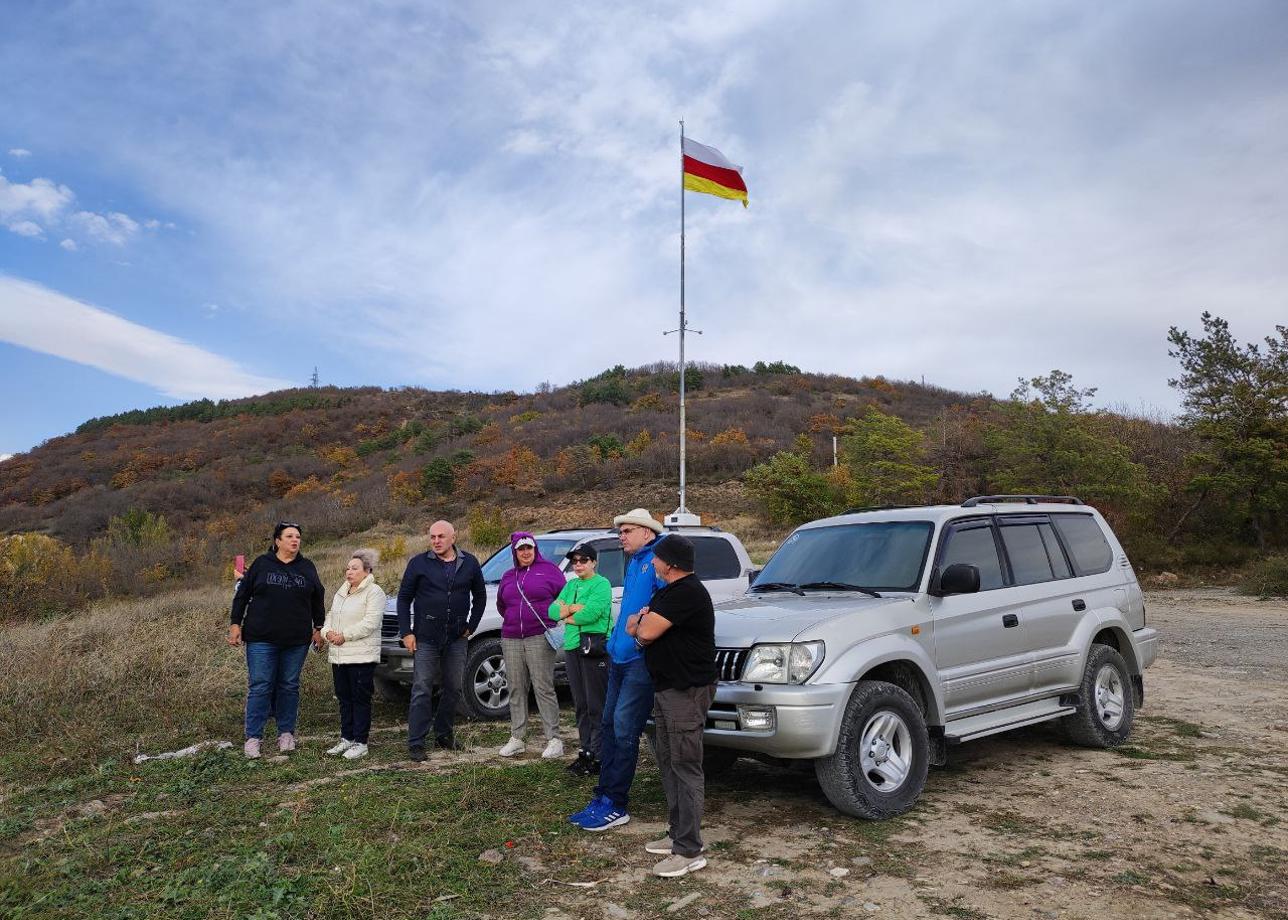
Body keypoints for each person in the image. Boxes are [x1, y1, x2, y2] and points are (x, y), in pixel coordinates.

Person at [569, 508, 666, 832]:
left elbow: (663, 610)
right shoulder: (635, 561)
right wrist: (614, 643)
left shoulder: (658, 562)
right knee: (609, 726)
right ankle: (604, 795)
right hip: (619, 660)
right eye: (620, 531)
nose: (621, 536)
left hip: (639, 663)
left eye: (627, 531)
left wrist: (639, 641)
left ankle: (617, 802)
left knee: (624, 732)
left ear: (647, 533)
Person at [628, 534, 717, 878]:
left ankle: (690, 849)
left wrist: (642, 627)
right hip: (666, 688)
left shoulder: (687, 592)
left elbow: (644, 632)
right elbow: (636, 624)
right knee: (668, 761)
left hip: (686, 690)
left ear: (672, 563)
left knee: (685, 765)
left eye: (658, 557)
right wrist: (641, 626)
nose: (653, 562)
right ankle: (678, 833)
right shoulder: (667, 591)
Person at [228, 522, 326, 759]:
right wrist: (234, 624)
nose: (295, 540)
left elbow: (318, 598)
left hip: (296, 640)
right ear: (277, 541)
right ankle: (253, 737)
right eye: (289, 536)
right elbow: (242, 595)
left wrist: (318, 627)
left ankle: (286, 734)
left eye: (298, 537)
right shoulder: (262, 564)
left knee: (289, 686)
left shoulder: (307, 567)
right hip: (262, 638)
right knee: (260, 685)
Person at [397, 519, 486, 761]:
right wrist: (407, 632)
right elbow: (404, 599)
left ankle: (444, 734)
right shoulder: (418, 563)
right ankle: (416, 742)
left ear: (453, 537)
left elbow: (480, 596)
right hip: (425, 637)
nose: (436, 541)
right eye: (432, 537)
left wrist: (472, 625)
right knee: (422, 689)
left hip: (457, 638)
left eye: (441, 536)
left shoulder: (469, 563)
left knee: (453, 687)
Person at [495, 532, 567, 759]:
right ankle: (517, 737)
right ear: (514, 552)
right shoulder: (508, 576)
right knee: (516, 687)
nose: (526, 553)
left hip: (539, 637)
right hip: (511, 637)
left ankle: (554, 739)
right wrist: (516, 621)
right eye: (520, 549)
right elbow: (501, 604)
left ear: (535, 549)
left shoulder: (550, 571)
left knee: (543, 687)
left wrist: (551, 618)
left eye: (529, 548)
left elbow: (563, 598)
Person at [549, 544, 612, 775]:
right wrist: (569, 611)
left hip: (594, 648)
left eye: (583, 560)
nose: (578, 565)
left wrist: (570, 614)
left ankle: (600, 756)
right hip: (573, 648)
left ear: (593, 562)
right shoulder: (571, 584)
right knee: (581, 705)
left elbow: (592, 613)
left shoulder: (602, 584)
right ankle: (586, 752)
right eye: (575, 561)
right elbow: (552, 612)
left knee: (597, 705)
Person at [321, 548, 386, 760]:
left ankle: (361, 742)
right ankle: (346, 738)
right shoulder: (342, 591)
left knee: (360, 699)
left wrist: (344, 636)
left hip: (361, 656)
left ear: (367, 571)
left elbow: (370, 623)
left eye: (355, 568)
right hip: (339, 655)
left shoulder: (374, 592)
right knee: (344, 698)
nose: (349, 572)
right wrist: (326, 632)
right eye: (348, 568)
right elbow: (331, 615)